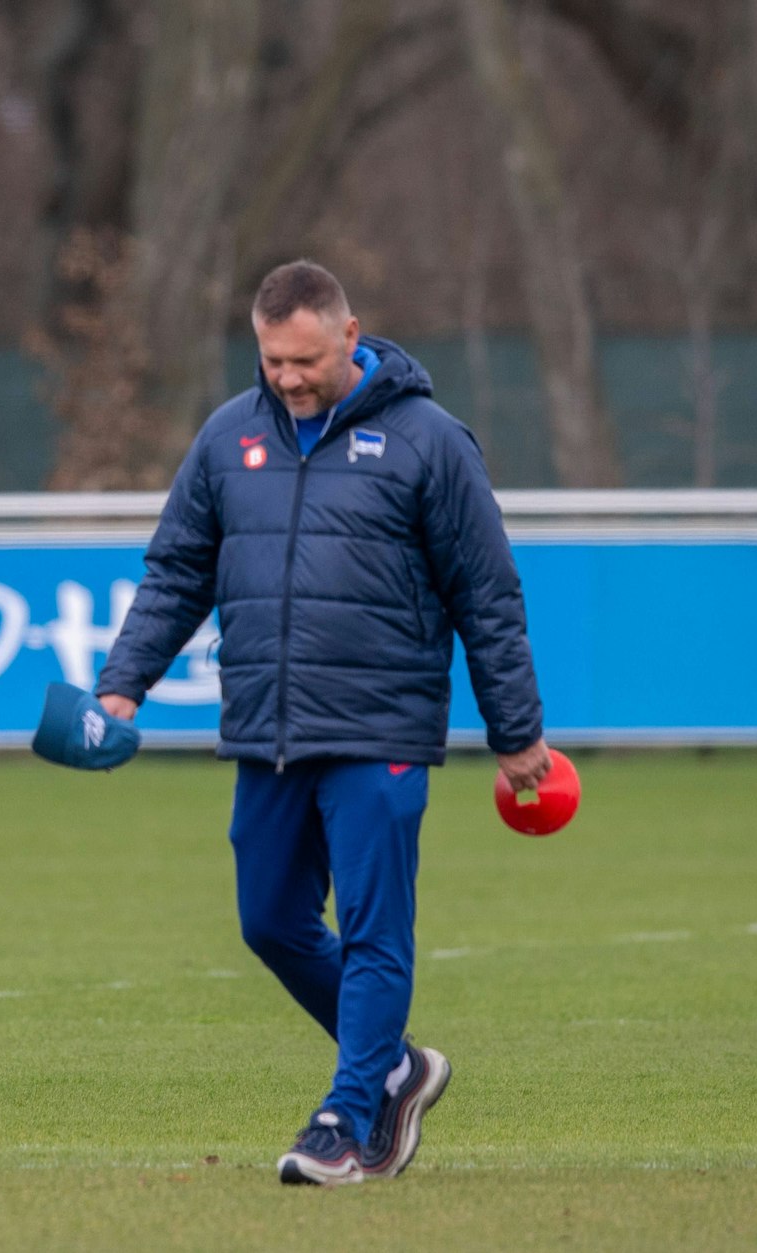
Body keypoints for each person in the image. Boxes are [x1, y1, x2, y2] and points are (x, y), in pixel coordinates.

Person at [95, 260, 548, 1185]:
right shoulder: (228, 437)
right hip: (268, 727)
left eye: (305, 359)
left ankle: (345, 1120)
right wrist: (123, 684)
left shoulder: (430, 440)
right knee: (269, 920)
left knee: (377, 927)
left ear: (350, 336)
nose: (289, 378)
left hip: (383, 729)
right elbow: (178, 570)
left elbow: (488, 594)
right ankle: (395, 1066)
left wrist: (517, 733)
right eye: (272, 360)